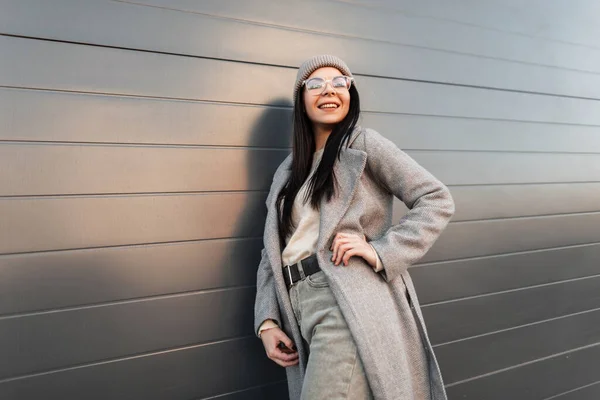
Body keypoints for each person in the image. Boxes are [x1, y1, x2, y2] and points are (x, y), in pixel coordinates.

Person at [254, 55, 455, 400]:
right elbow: (271, 251)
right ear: (301, 99)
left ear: (351, 93)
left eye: (340, 82)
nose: (329, 90)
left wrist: (380, 251)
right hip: (298, 308)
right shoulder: (287, 172)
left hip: (346, 300)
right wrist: (267, 321)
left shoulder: (362, 144)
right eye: (315, 84)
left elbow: (436, 199)